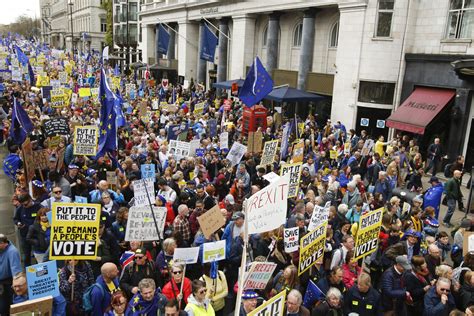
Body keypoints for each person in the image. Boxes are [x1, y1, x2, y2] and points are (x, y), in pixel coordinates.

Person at [13, 193, 42, 267]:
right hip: (25, 236)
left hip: (37, 236)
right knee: (26, 255)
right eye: (23, 204)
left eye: (26, 204)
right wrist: (18, 223)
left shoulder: (38, 206)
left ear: (30, 199)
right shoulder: (20, 208)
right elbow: (16, 219)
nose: (24, 206)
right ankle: (28, 272)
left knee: (38, 255)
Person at [0, 234, 22, 315]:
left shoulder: (12, 251)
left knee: (6, 308)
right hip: (2, 283)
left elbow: (16, 270)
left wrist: (17, 286)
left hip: (9, 284)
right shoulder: (1, 249)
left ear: (2, 243)